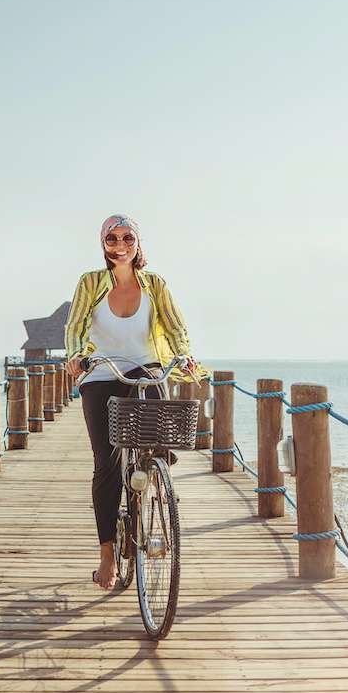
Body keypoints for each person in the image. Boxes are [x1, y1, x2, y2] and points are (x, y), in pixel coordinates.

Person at [65, 214, 208, 590]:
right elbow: (75, 326)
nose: (120, 244)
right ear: (103, 245)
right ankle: (107, 556)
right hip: (100, 372)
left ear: (138, 242)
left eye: (127, 237)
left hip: (145, 367)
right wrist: (77, 355)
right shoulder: (90, 283)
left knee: (161, 423)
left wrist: (185, 354)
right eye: (112, 238)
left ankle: (155, 465)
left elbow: (175, 325)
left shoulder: (155, 284)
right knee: (107, 464)